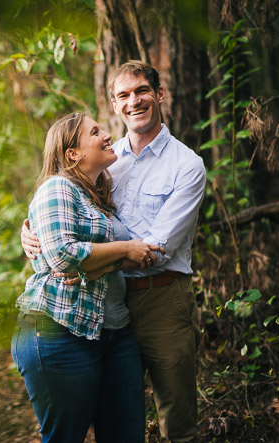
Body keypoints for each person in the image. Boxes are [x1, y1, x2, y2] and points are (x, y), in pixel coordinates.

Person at [22, 60, 207, 442]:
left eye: (142, 91)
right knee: (114, 419)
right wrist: (29, 237)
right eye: (123, 95)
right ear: (114, 103)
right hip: (104, 309)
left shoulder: (186, 166)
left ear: (159, 94)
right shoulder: (105, 159)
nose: (134, 101)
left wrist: (81, 264)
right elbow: (61, 212)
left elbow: (154, 249)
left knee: (177, 422)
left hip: (161, 301)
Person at [12, 111, 165, 442]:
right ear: (73, 154)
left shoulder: (100, 199)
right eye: (95, 132)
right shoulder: (57, 188)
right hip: (59, 332)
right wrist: (125, 248)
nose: (106, 134)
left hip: (116, 334)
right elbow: (63, 256)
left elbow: (129, 257)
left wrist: (112, 258)